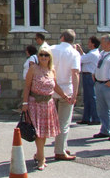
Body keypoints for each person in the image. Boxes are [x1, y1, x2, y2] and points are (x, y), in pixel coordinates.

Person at [22, 49, 72, 170]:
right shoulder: (33, 69)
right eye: (41, 55)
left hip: (48, 104)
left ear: (50, 57)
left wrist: (65, 96)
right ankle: (41, 158)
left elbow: (55, 86)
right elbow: (27, 86)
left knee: (43, 133)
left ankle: (39, 154)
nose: (43, 57)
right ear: (38, 57)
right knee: (39, 133)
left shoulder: (52, 70)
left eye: (46, 55)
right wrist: (25, 103)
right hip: (35, 103)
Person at [50, 29, 80, 161]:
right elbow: (75, 74)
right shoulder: (74, 53)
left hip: (51, 88)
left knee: (50, 121)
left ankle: (61, 146)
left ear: (62, 38)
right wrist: (75, 93)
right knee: (64, 122)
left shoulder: (51, 49)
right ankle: (60, 150)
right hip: (66, 89)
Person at [75, 36, 100, 125]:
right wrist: (81, 51)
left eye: (89, 42)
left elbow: (81, 59)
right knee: (87, 98)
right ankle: (86, 117)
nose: (88, 44)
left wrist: (75, 51)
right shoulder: (92, 53)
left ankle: (95, 118)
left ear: (93, 44)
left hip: (89, 76)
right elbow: (85, 57)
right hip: (87, 76)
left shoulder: (93, 54)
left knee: (91, 98)